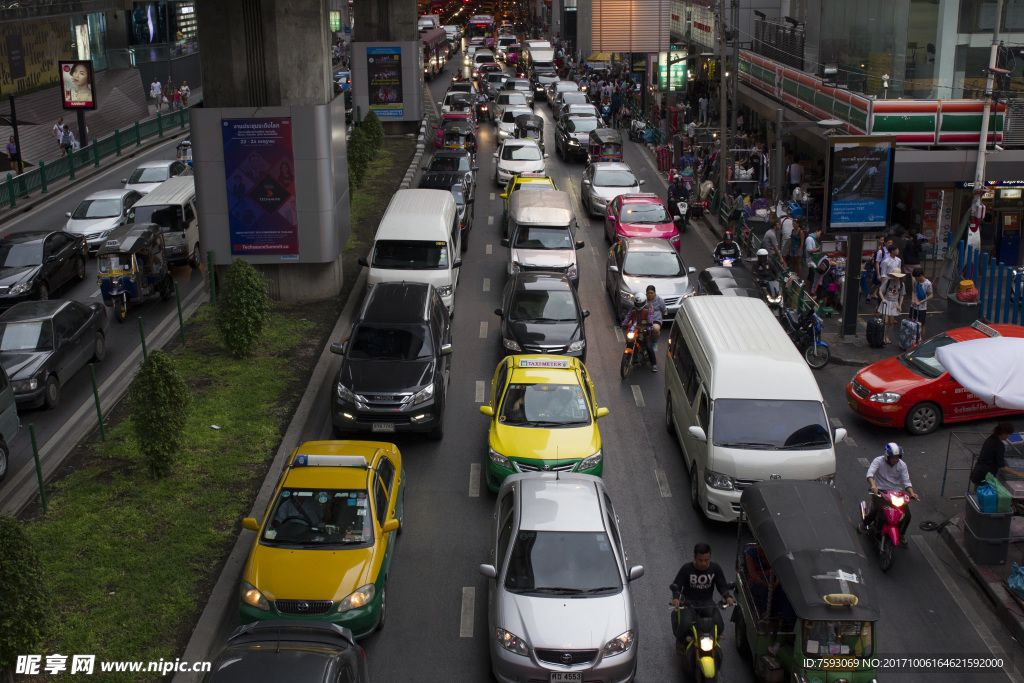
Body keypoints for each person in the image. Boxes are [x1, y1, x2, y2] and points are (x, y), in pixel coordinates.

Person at [670, 543, 735, 654]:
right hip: (688, 603)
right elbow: (677, 586)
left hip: (707, 602)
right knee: (685, 624)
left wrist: (728, 597)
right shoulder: (686, 569)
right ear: (694, 557)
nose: (703, 563)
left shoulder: (715, 568)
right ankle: (680, 643)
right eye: (700, 560)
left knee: (719, 625)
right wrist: (676, 599)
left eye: (706, 560)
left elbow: (722, 586)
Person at [861, 443, 918, 544]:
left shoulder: (902, 465)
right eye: (892, 457)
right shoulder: (878, 461)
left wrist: (912, 493)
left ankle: (901, 534)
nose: (895, 460)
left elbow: (906, 482)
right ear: (887, 456)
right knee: (877, 509)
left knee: (907, 515)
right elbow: (870, 474)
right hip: (880, 491)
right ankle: (864, 524)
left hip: (896, 494)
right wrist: (873, 486)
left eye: (897, 457)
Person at [621, 294, 657, 372]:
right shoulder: (632, 310)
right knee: (629, 342)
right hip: (635, 330)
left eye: (640, 304)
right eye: (637, 303)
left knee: (648, 346)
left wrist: (648, 329)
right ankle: (634, 357)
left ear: (644, 303)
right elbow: (627, 317)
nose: (638, 305)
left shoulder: (648, 311)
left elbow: (650, 321)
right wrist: (624, 323)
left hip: (644, 331)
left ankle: (654, 364)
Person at [877, 268, 906, 345]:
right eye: (894, 276)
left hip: (894, 303)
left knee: (891, 322)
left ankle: (887, 336)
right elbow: (880, 290)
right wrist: (883, 299)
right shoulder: (888, 282)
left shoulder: (902, 284)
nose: (895, 278)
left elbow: (902, 295)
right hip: (887, 302)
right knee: (885, 321)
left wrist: (900, 305)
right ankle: (883, 337)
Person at [644, 285, 668, 351]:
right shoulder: (644, 300)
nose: (650, 295)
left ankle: (654, 343)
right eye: (648, 293)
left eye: (652, 293)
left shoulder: (660, 300)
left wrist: (660, 318)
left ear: (655, 293)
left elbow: (664, 311)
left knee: (656, 329)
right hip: (645, 319)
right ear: (646, 294)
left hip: (655, 319)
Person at [909, 267, 932, 336]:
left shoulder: (928, 284)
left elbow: (931, 295)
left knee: (922, 324)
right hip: (914, 306)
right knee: (912, 322)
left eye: (916, 277)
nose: (915, 279)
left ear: (921, 275)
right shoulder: (916, 282)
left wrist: (921, 302)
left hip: (922, 307)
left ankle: (921, 339)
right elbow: (913, 291)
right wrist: (912, 299)